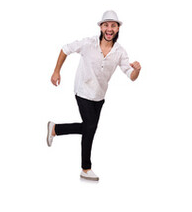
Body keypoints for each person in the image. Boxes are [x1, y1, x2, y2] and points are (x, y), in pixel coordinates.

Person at [46, 10, 141, 181]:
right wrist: (56, 71)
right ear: (101, 27)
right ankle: (86, 168)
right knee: (90, 129)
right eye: (106, 25)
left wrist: (137, 70)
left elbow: (131, 75)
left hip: (99, 95)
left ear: (118, 28)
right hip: (83, 90)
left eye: (113, 25)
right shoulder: (88, 43)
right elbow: (65, 49)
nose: (109, 29)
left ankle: (55, 129)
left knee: (89, 128)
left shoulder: (120, 51)